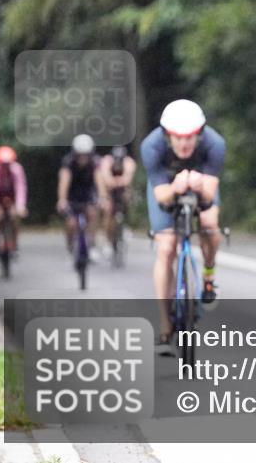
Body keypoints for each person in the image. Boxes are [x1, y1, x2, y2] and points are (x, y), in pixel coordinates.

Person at [141, 100, 225, 355]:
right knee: (166, 247)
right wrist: (176, 187)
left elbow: (209, 195)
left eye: (189, 137)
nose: (184, 144)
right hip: (166, 188)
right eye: (177, 138)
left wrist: (198, 186)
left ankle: (208, 278)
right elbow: (161, 197)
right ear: (167, 136)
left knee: (210, 225)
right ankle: (165, 327)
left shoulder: (215, 144)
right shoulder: (151, 146)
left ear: (199, 134)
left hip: (201, 184)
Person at [57, 134, 105, 257]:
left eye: (86, 154)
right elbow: (64, 182)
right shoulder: (68, 162)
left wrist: (102, 197)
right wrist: (62, 200)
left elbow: (99, 180)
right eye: (80, 154)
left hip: (88, 194)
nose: (83, 158)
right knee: (71, 223)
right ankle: (70, 247)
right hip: (72, 195)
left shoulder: (95, 162)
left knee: (93, 214)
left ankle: (92, 245)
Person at [0, 146, 28, 256]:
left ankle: (14, 242)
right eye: (2, 164)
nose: (5, 167)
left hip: (12, 197)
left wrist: (20, 206)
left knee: (15, 216)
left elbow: (20, 188)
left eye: (7, 164)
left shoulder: (17, 170)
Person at [99, 145, 137, 250]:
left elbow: (127, 179)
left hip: (123, 189)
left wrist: (118, 182)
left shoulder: (129, 162)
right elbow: (106, 179)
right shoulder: (106, 161)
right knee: (108, 210)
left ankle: (126, 225)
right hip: (109, 190)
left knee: (128, 198)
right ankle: (107, 239)